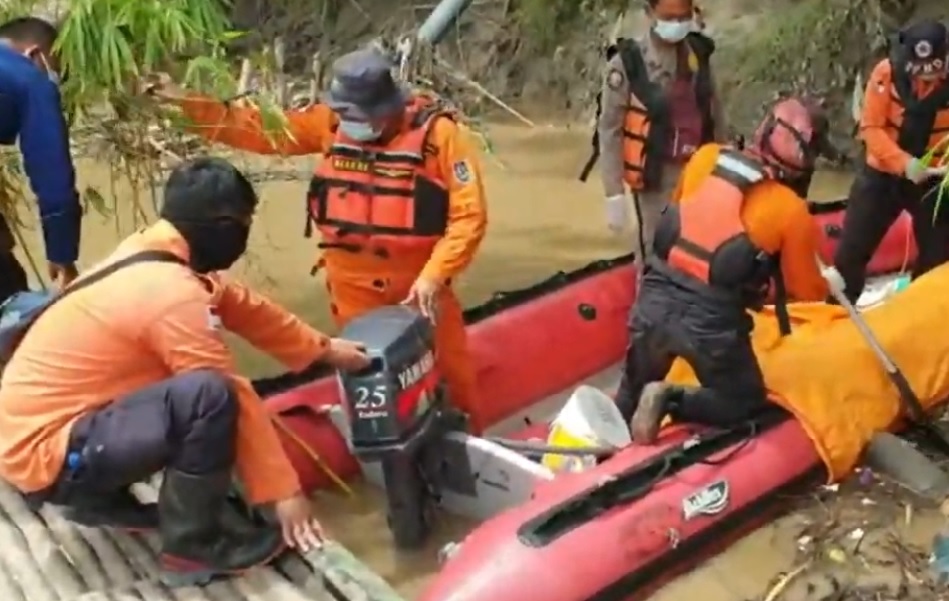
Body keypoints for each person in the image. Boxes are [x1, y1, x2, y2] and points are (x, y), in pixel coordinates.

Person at [0, 158, 370, 587]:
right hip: (46, 453)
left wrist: (324, 351)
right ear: (222, 223)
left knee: (193, 390)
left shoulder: (151, 249)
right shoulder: (170, 295)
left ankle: (96, 497)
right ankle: (193, 546)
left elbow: (239, 304)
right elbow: (232, 389)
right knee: (208, 398)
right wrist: (284, 494)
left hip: (38, 430)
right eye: (243, 224)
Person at [144, 48, 489, 432]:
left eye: (355, 115)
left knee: (453, 375)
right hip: (352, 287)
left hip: (421, 286)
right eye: (343, 113)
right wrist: (189, 105)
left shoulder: (440, 136)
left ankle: (470, 446)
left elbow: (468, 216)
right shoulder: (329, 122)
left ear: (387, 108)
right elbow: (260, 131)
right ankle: (386, 458)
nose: (347, 123)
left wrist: (434, 275)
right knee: (371, 377)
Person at [615, 98, 832, 443]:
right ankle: (672, 398)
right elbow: (806, 293)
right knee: (743, 401)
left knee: (629, 390)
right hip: (709, 323)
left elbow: (681, 222)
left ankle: (606, 455)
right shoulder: (791, 211)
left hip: (653, 296)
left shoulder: (706, 157)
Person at [596, 0, 726, 265]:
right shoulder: (628, 64)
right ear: (650, 13)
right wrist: (613, 192)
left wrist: (727, 166)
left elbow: (716, 114)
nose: (676, 25)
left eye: (683, 17)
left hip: (700, 172)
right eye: (669, 17)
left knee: (703, 252)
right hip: (656, 176)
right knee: (656, 254)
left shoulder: (699, 56)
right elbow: (610, 129)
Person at [833, 20, 949, 305]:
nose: (929, 80)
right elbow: (870, 128)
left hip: (934, 178)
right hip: (883, 173)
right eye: (922, 73)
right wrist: (904, 163)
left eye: (936, 71)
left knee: (938, 255)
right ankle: (838, 313)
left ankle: (919, 311)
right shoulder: (885, 74)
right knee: (851, 250)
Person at [0, 17, 82, 299]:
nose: (52, 78)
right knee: (11, 301)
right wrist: (62, 256)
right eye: (54, 69)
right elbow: (53, 179)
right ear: (35, 54)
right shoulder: (29, 80)